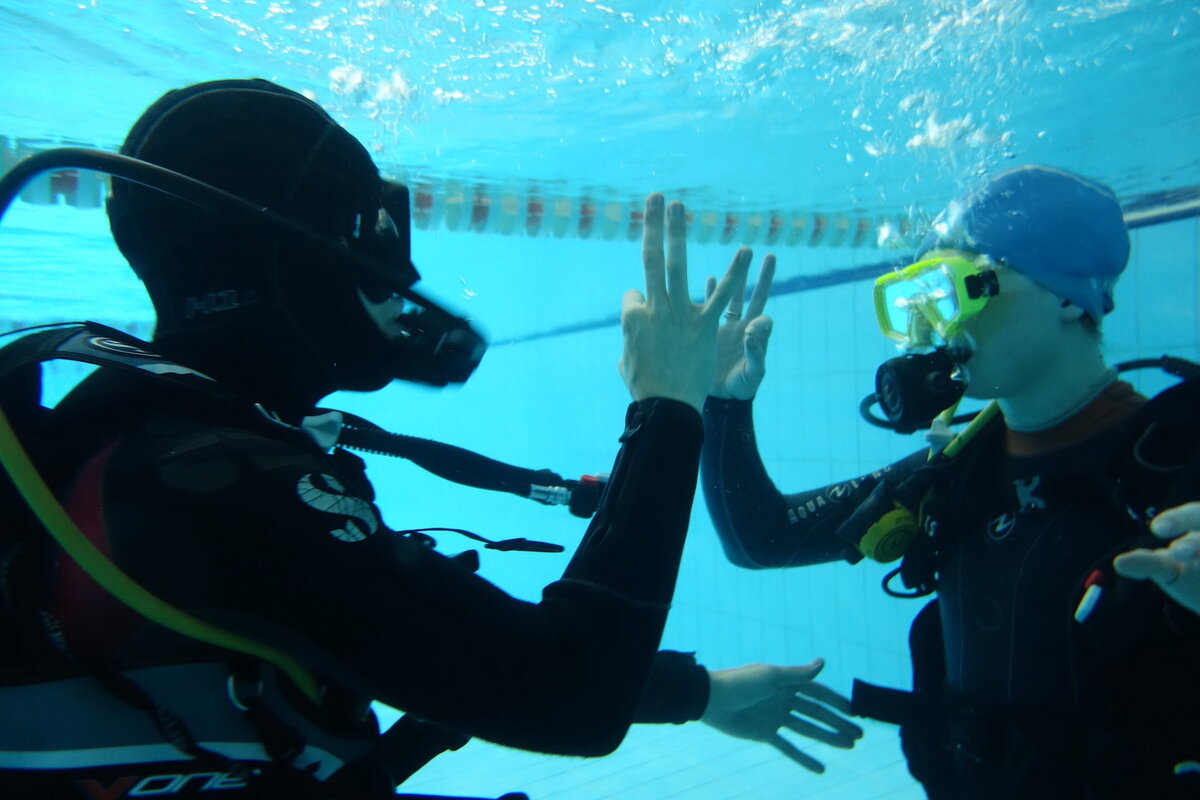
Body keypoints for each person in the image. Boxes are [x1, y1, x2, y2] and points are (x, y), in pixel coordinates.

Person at [0, 79, 861, 799]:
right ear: (278, 256)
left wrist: (699, 693)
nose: (398, 274)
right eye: (367, 229)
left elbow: (441, 646)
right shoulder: (217, 485)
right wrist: (667, 406)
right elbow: (571, 690)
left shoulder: (153, 440)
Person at [700, 164, 1200, 799]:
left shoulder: (1174, 471)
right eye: (918, 302)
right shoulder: (957, 469)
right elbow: (762, 539)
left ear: (1070, 294)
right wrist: (722, 404)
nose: (937, 329)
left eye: (957, 291)